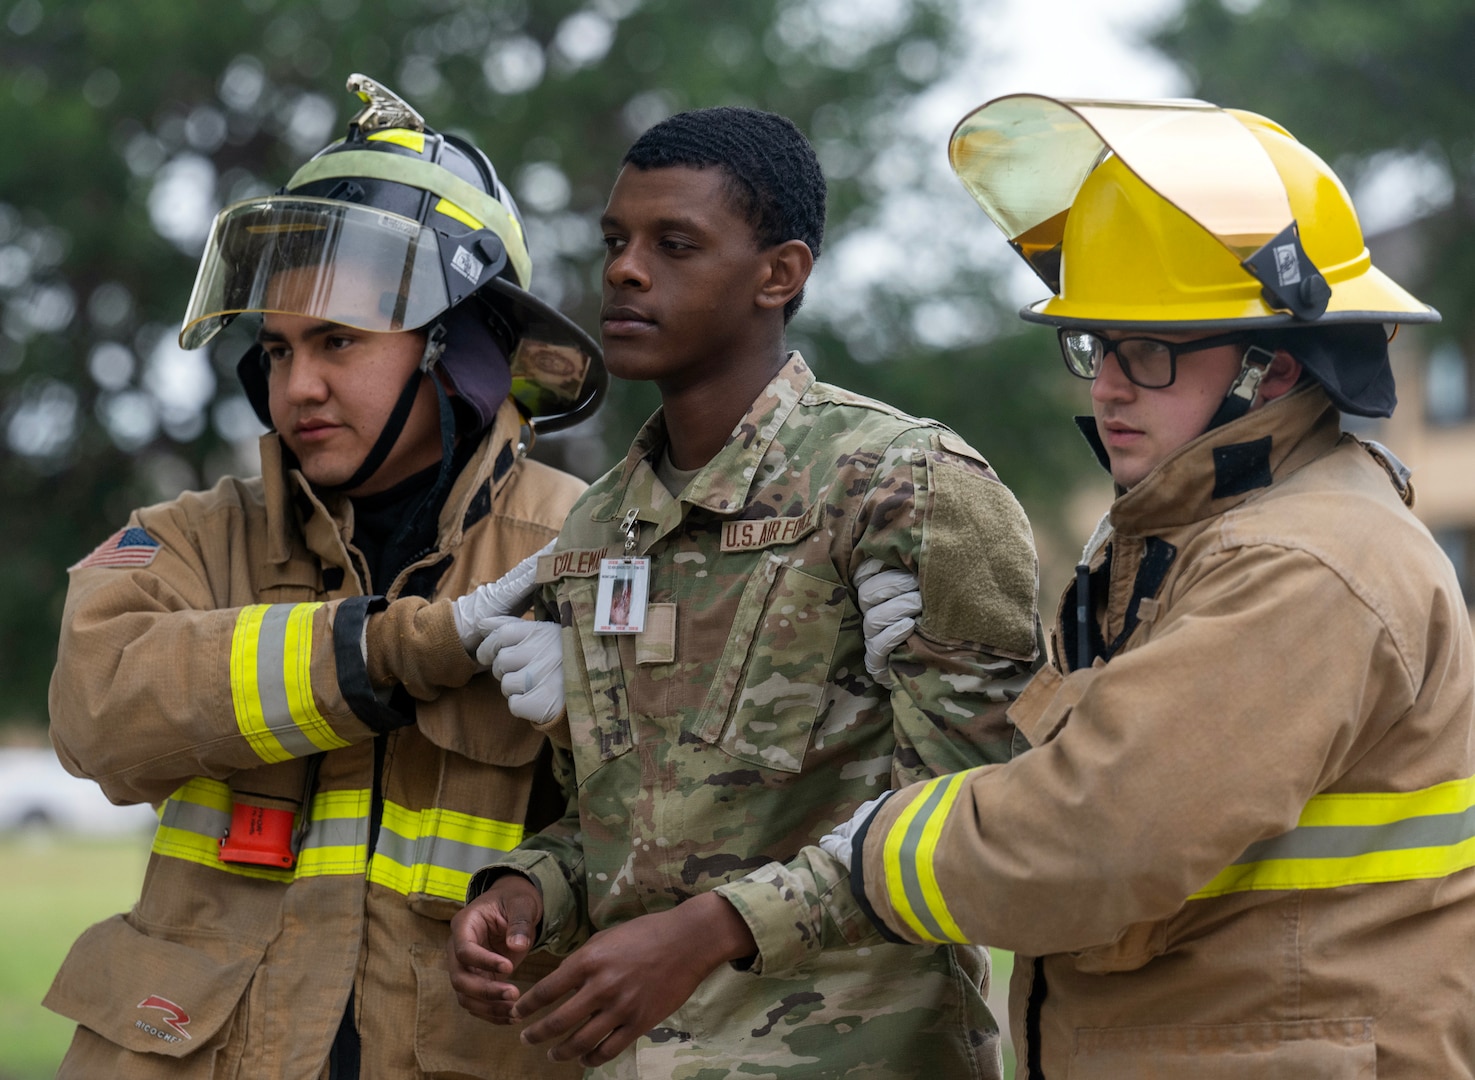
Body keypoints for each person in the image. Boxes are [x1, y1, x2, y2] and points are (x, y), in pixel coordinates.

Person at [830, 95, 1475, 1077]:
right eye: (1092, 344)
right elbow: (1108, 754)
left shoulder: (1298, 565)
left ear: (1271, 367)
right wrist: (945, 663)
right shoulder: (1196, 534)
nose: (1105, 386)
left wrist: (859, 856)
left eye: (1148, 349)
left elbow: (1096, 834)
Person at [445, 106, 1042, 1077]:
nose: (623, 271)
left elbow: (973, 820)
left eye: (672, 244)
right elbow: (633, 811)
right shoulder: (602, 523)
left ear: (780, 274)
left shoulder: (903, 486)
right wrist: (525, 894)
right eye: (615, 242)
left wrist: (711, 931)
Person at [43, 74, 604, 1079]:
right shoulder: (188, 541)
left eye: (338, 341)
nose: (297, 386)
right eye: (278, 348)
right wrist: (390, 647)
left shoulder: (584, 547)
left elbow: (691, 837)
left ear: (455, 348)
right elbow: (93, 707)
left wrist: (600, 704)